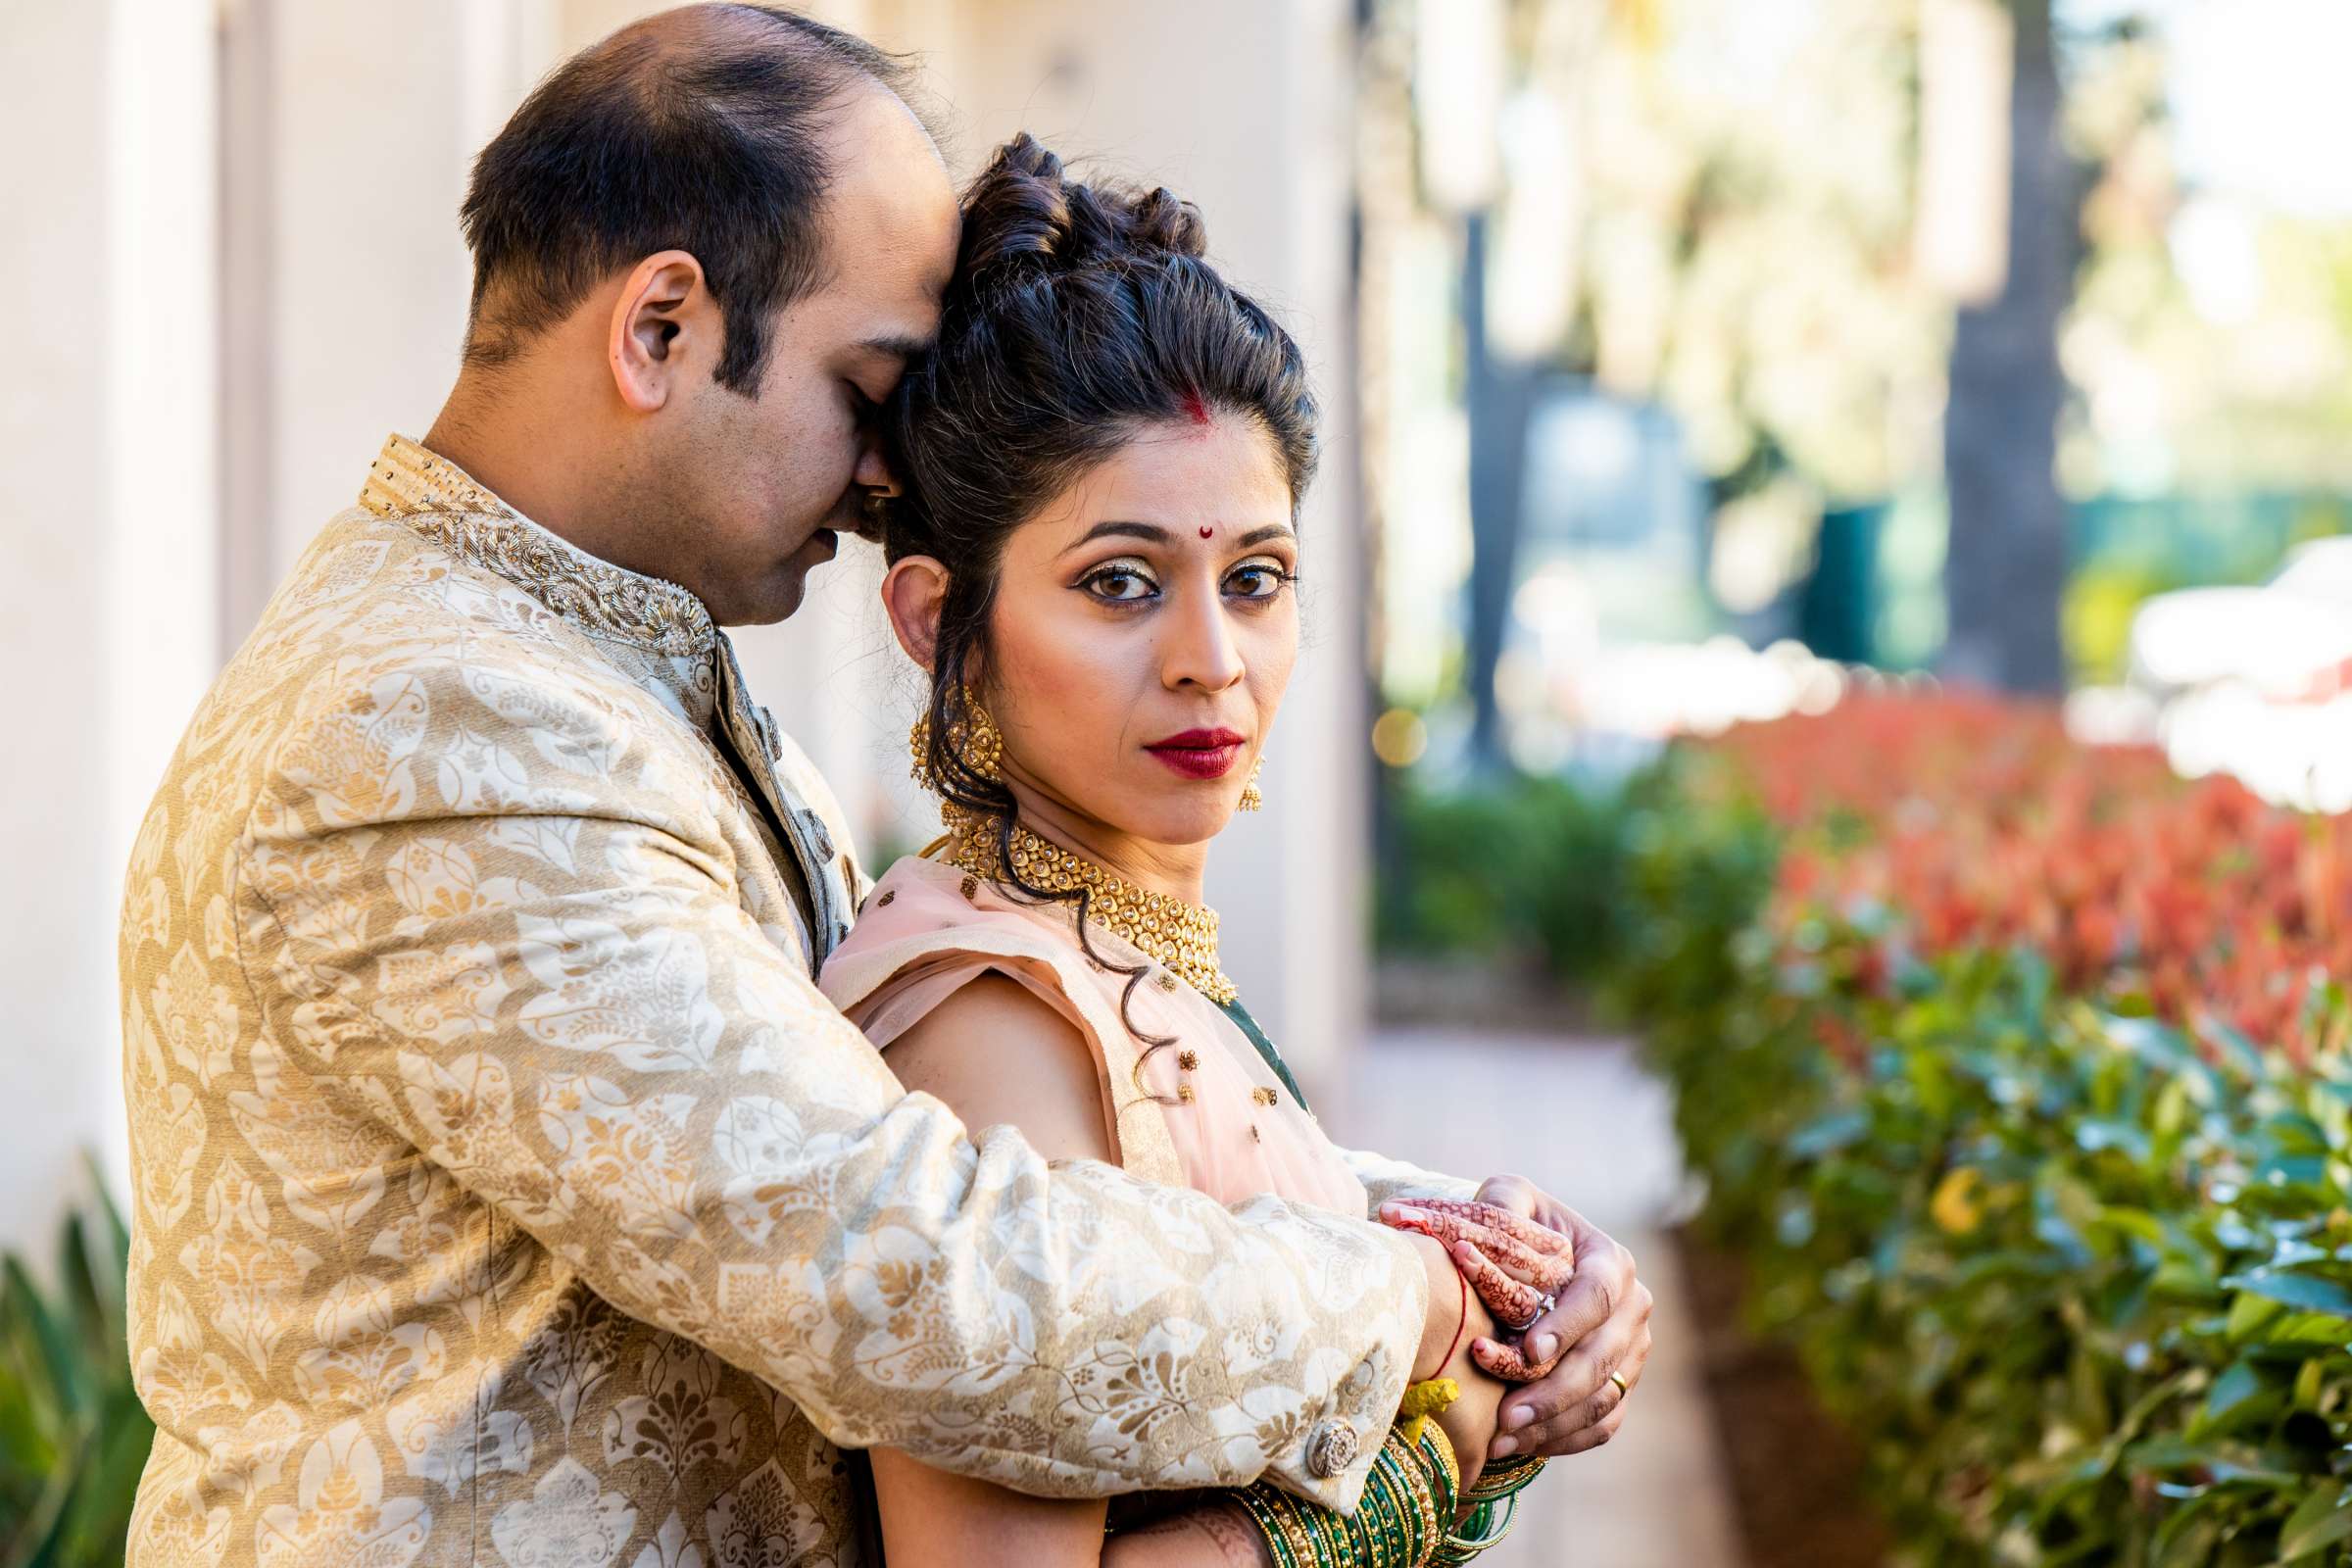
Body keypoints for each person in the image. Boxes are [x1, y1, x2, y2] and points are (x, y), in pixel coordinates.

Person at [117, 9, 1649, 1567]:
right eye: (869, 388)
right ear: (661, 330)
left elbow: (886, 1132)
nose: (882, 477)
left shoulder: (601, 676)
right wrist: (1417, 1313)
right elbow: (904, 1270)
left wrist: (1469, 1235)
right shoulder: (437, 727)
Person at [819, 134, 1607, 1566]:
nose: (1210, 662)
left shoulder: (1117, 951)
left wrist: (1522, 1278)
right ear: (943, 624)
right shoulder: (999, 1018)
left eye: (1256, 580)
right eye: (1120, 586)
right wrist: (1435, 1460)